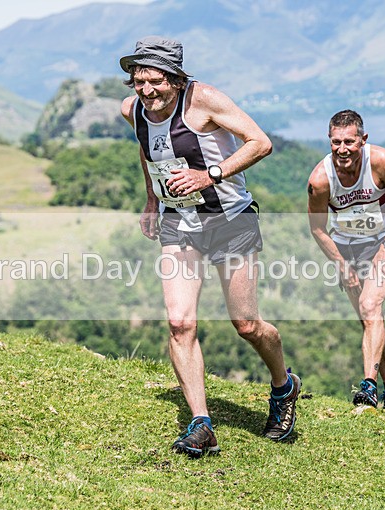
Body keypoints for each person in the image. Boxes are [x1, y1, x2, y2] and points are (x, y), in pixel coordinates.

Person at [119, 36, 300, 457]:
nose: (146, 91)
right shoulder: (134, 112)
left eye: (156, 81)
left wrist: (210, 175)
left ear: (177, 79)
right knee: (180, 323)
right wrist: (151, 198)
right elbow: (149, 154)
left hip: (230, 223)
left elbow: (261, 142)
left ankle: (283, 386)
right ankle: (201, 423)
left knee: (247, 325)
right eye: (138, 81)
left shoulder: (206, 101)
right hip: (178, 224)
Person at [307, 110, 385, 409]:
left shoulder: (381, 161)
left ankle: (369, 388)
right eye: (335, 142)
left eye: (349, 142)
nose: (342, 149)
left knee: (370, 306)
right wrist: (342, 266)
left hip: (384, 242)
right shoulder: (320, 180)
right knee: (369, 319)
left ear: (363, 140)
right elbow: (317, 228)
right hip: (345, 248)